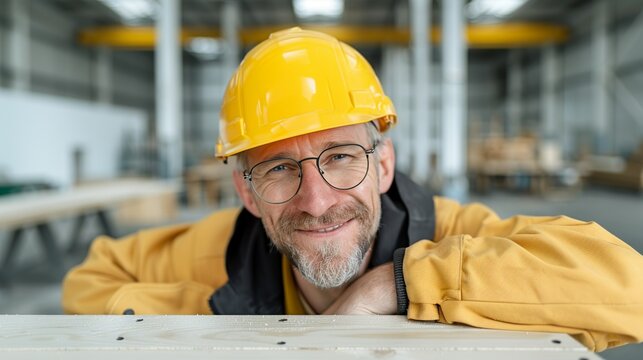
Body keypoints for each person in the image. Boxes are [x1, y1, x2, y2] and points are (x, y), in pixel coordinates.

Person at [62, 28, 643, 352]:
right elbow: (88, 284)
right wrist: (224, 320)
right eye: (280, 170)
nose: (316, 201)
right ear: (246, 193)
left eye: (340, 158)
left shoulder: (449, 232)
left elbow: (628, 285)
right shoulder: (214, 254)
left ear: (384, 165)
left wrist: (398, 284)